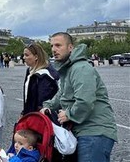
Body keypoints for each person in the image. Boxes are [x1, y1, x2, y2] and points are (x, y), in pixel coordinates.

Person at [40, 32, 117, 162]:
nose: (54, 49)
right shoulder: (68, 69)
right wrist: (48, 106)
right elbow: (62, 94)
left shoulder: (80, 68)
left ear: (70, 47)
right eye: (52, 46)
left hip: (95, 131)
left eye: (58, 45)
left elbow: (85, 101)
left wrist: (69, 114)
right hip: (82, 131)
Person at [22, 43, 59, 116]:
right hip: (31, 113)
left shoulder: (44, 75)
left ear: (36, 57)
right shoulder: (29, 71)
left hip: (42, 117)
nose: (24, 57)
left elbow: (42, 102)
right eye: (24, 55)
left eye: (27, 55)